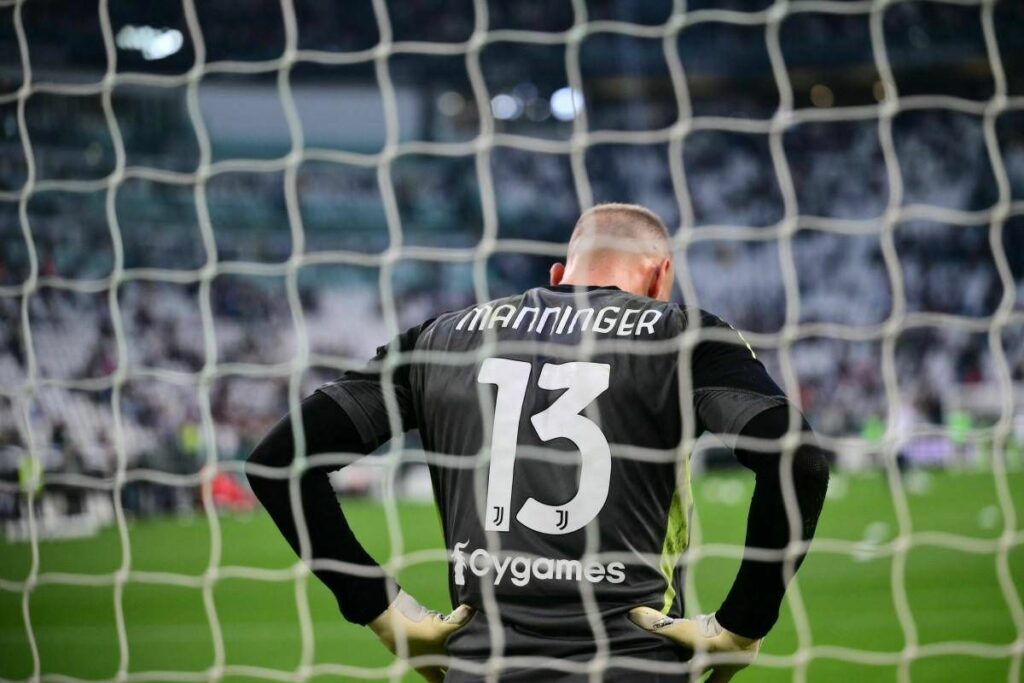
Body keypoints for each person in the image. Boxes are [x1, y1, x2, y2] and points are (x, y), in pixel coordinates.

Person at [246, 203, 830, 682]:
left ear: (558, 275)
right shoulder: (681, 334)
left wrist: (382, 609)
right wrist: (742, 624)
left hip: (481, 666)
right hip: (634, 664)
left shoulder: (441, 338)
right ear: (660, 278)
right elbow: (797, 460)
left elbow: (278, 461)